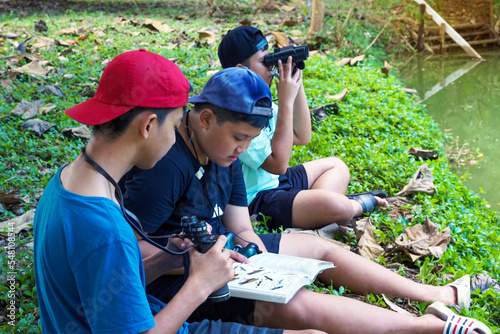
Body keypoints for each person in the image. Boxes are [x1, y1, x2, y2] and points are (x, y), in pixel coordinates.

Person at [121, 66, 492, 334]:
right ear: (204, 119)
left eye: (251, 140)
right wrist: (196, 262)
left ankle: (434, 293)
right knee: (299, 306)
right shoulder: (165, 168)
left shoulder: (224, 154)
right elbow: (128, 258)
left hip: (223, 255)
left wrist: (261, 264)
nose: (244, 149)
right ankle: (428, 328)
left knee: (318, 250)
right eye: (238, 137)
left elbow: (241, 226)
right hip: (179, 283)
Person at [33, 50, 315, 334]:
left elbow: (107, 288)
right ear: (148, 126)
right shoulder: (107, 231)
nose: (174, 140)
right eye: (175, 126)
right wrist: (200, 285)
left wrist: (167, 257)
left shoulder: (63, 185)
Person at [217, 26, 388, 231]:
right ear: (241, 69)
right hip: (258, 199)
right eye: (265, 62)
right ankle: (352, 205)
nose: (272, 67)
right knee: (337, 205)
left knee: (337, 166)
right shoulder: (236, 112)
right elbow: (278, 164)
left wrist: (297, 85)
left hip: (278, 182)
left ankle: (316, 211)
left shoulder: (260, 99)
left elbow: (302, 135)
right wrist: (286, 101)